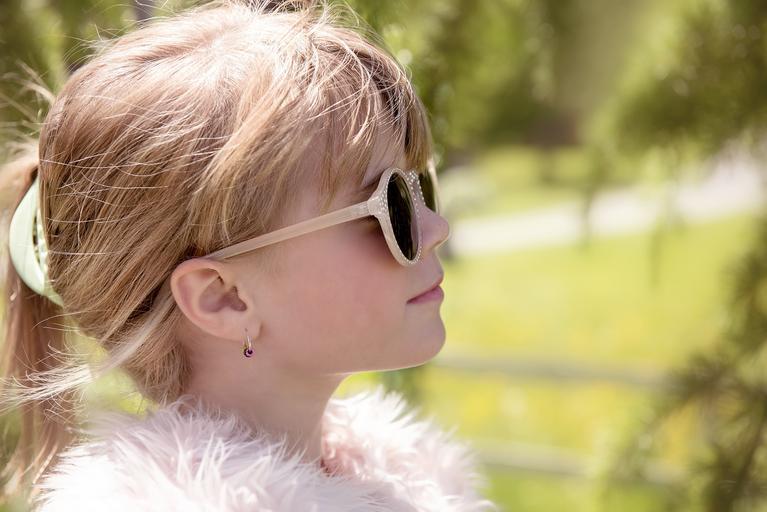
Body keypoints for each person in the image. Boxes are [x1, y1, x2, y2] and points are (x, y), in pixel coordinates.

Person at [0, 0, 499, 510]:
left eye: (419, 187)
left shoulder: (414, 482)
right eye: (389, 204)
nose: (435, 228)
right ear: (224, 298)